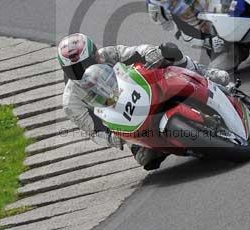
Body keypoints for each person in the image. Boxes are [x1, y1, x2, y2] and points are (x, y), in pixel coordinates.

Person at [57, 33, 232, 171]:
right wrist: (114, 137)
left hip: (142, 87)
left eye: (86, 63)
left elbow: (137, 51)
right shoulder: (71, 101)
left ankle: (208, 75)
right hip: (123, 119)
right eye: (74, 69)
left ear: (96, 56)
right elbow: (93, 130)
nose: (83, 71)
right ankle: (185, 145)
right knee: (146, 157)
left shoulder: (109, 54)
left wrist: (152, 53)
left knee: (169, 53)